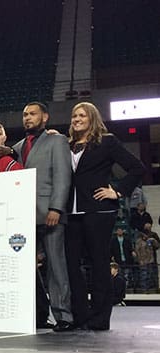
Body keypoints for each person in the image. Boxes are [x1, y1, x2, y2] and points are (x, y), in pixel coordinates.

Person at [64, 101, 145, 331]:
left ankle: (100, 318)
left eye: (81, 115)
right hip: (71, 212)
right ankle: (80, 315)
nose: (76, 119)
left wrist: (117, 191)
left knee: (98, 264)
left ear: (92, 118)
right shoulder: (66, 145)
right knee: (71, 265)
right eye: (74, 116)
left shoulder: (107, 141)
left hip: (99, 211)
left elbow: (137, 167)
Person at [13, 101, 74, 332]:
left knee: (56, 266)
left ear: (45, 117)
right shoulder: (18, 147)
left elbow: (62, 176)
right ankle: (34, 314)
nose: (27, 118)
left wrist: (56, 208)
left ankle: (63, 315)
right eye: (25, 114)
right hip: (23, 215)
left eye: (32, 114)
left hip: (50, 213)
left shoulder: (57, 141)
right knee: (25, 268)